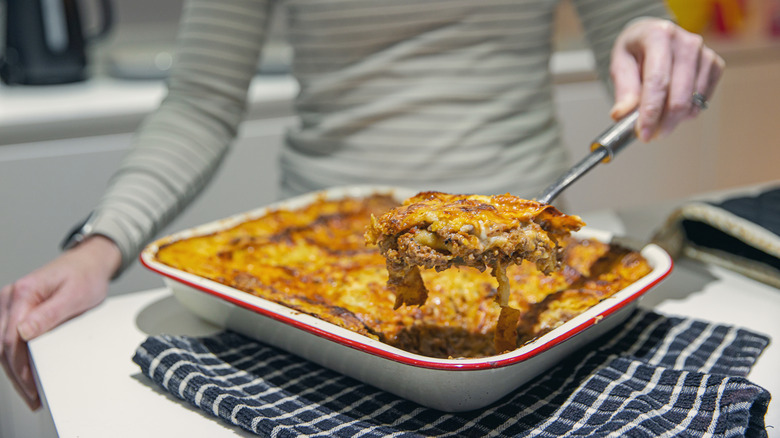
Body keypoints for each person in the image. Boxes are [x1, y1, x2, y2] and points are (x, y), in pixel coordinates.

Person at [1, 0, 724, 410]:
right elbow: (200, 99)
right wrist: (99, 245)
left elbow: (625, 23)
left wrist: (654, 47)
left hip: (530, 228)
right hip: (318, 251)